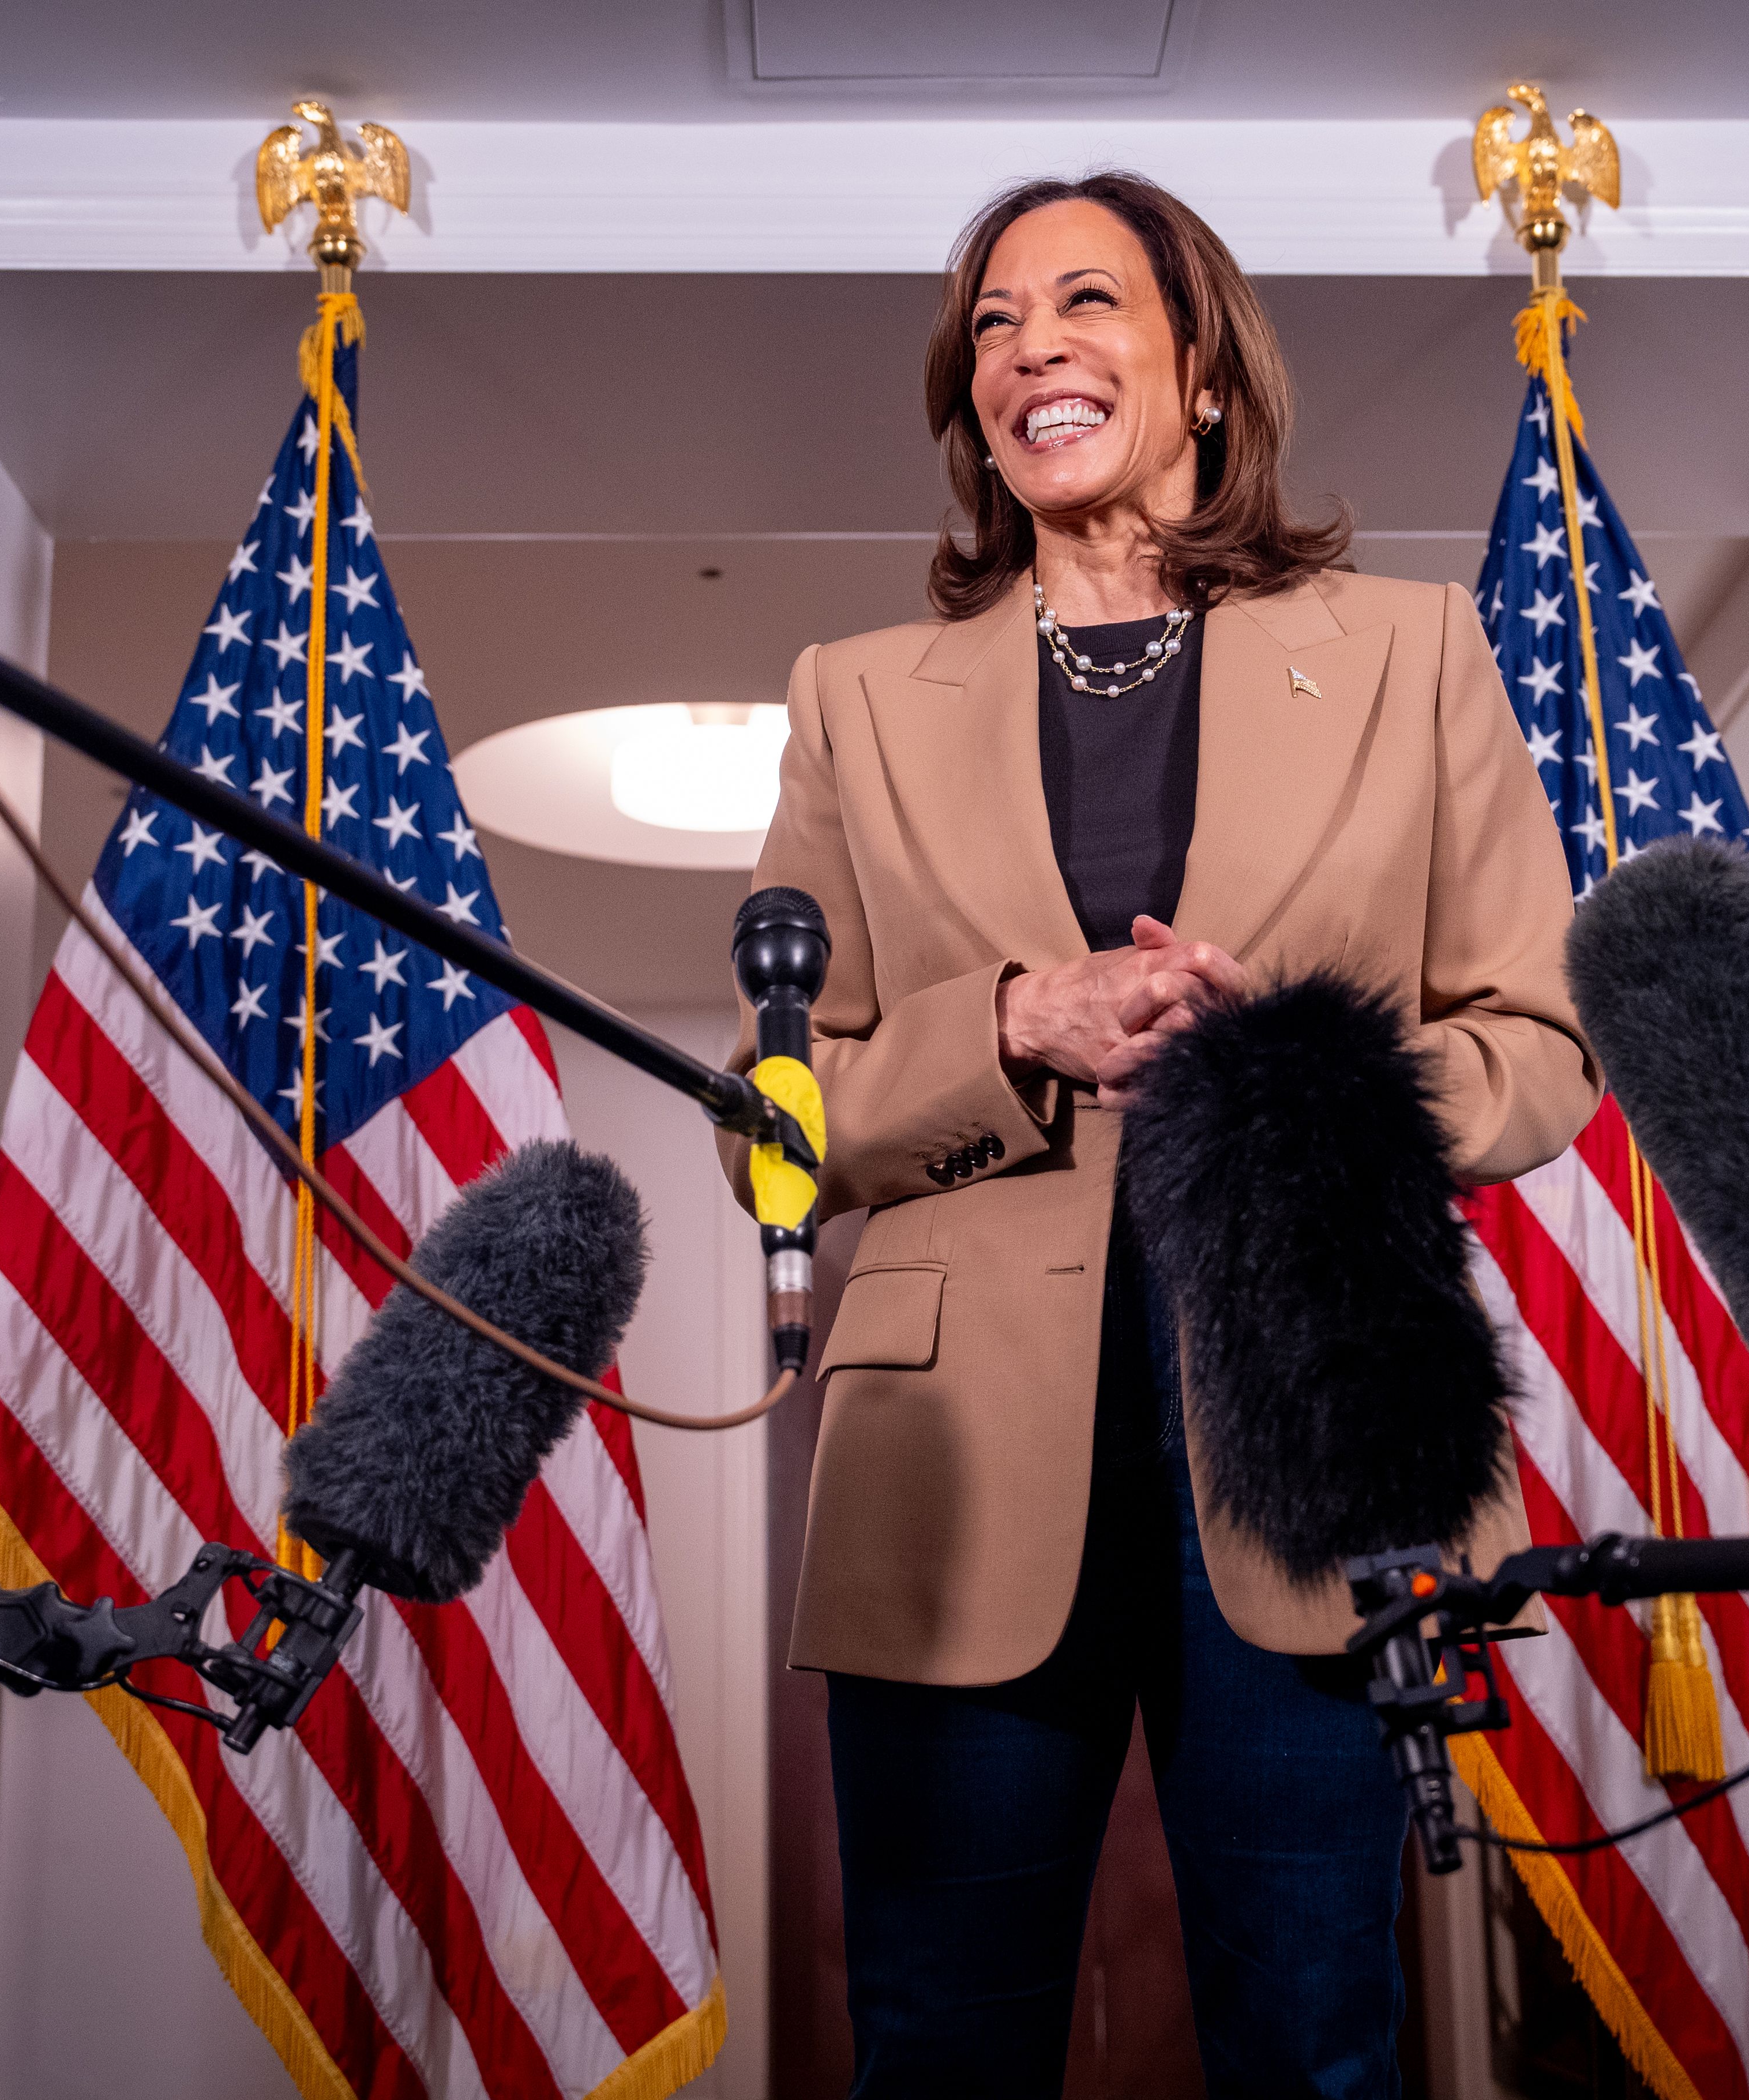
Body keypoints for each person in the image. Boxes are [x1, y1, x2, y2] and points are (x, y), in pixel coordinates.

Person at [722, 171, 1597, 2096]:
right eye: (995, 325)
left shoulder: (1411, 650)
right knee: (938, 2042)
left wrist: (1294, 1070)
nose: (1033, 346)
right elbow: (775, 1133)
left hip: (1316, 1411)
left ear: (1201, 370)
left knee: (1320, 2035)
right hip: (950, 1452)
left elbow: (1540, 1042)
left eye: (1088, 303)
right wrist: (1011, 1023)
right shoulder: (853, 698)